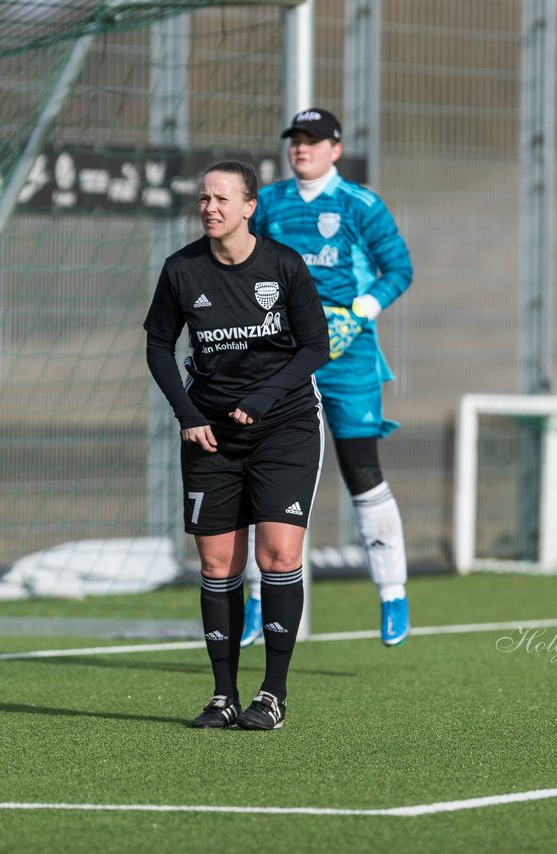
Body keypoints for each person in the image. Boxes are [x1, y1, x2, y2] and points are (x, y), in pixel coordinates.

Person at [144, 159, 329, 730]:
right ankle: (223, 695)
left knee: (278, 555)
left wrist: (267, 398)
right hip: (211, 435)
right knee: (218, 561)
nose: (210, 208)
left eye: (222, 199)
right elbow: (157, 346)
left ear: (249, 206)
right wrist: (188, 413)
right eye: (204, 199)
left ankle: (272, 694)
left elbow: (315, 347)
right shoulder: (181, 270)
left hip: (285, 425)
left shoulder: (283, 265)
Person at [244, 108, 414, 648]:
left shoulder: (361, 204)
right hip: (281, 353)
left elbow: (399, 269)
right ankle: (253, 600)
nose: (302, 148)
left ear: (335, 149)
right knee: (265, 473)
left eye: (313, 140)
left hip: (349, 355)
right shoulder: (268, 203)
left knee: (362, 468)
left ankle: (392, 593)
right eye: (295, 139)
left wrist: (359, 310)